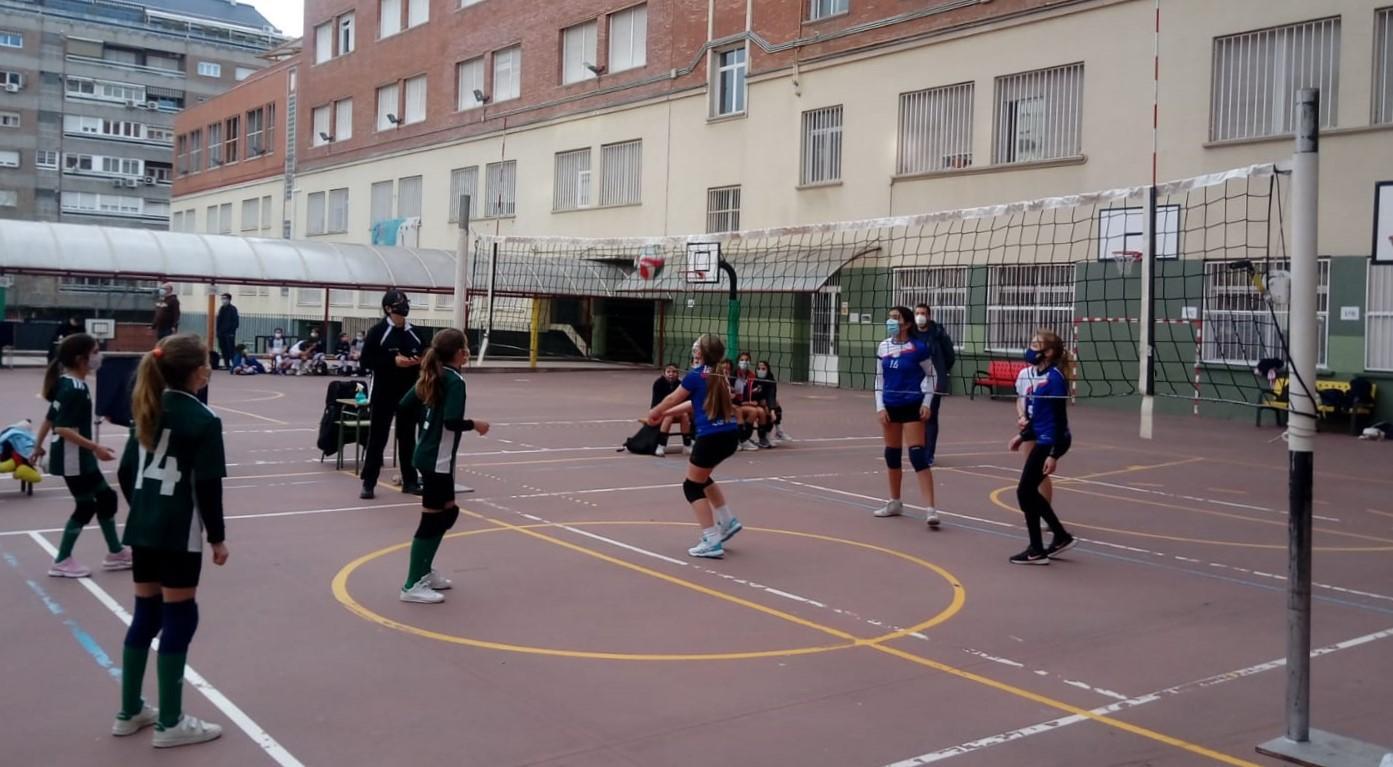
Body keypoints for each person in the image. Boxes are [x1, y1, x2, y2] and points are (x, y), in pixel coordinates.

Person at [113, 334, 227, 747]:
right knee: (181, 616)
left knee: (146, 614)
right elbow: (208, 486)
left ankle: (129, 711)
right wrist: (217, 538)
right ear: (199, 371)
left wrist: (143, 508)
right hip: (179, 533)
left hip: (143, 529)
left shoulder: (147, 406)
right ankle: (171, 722)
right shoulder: (202, 419)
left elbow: (127, 473)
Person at [398, 329, 489, 604]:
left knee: (448, 513)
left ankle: (425, 571)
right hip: (435, 461)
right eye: (466, 348)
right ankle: (411, 585)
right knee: (432, 520)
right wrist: (476, 425)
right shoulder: (454, 381)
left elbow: (404, 405)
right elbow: (451, 422)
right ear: (461, 353)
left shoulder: (435, 375)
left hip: (436, 458)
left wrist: (425, 426)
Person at [34, 333, 131, 578]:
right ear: (81, 359)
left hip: (78, 458)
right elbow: (62, 427)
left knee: (107, 498)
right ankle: (62, 560)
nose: (100, 356)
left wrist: (37, 446)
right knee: (86, 506)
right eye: (96, 351)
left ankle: (116, 553)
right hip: (72, 459)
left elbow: (50, 417)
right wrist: (94, 447)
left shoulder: (67, 383)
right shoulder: (74, 388)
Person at [647, 334, 743, 559]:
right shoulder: (719, 373)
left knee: (691, 487)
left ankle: (711, 539)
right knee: (703, 477)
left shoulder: (695, 375)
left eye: (698, 346)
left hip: (712, 437)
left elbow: (673, 398)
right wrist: (666, 414)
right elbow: (694, 402)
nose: (695, 348)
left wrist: (656, 411)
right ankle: (727, 521)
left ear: (701, 352)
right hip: (729, 435)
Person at [1008, 330, 1076, 565]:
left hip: (1053, 440)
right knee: (1027, 491)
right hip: (1041, 436)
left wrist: (1054, 454)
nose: (1030, 348)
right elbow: (1038, 414)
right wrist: (1023, 435)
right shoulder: (1035, 374)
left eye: (1036, 344)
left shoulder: (1055, 378)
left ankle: (1038, 548)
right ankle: (1059, 537)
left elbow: (1058, 419)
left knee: (1024, 491)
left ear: (1048, 352)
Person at [872, 306, 941, 528]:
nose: (891, 321)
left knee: (917, 456)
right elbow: (878, 380)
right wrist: (880, 407)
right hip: (890, 406)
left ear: (907, 323)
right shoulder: (884, 346)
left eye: (896, 318)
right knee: (892, 455)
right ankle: (895, 502)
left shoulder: (918, 348)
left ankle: (930, 509)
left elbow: (932, 376)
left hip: (912, 405)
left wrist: (926, 403)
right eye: (890, 317)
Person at [359, 290, 424, 499]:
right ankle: (369, 483)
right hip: (383, 392)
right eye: (398, 302)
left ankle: (410, 481)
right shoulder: (378, 332)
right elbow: (366, 361)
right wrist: (392, 361)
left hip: (409, 393)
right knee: (378, 438)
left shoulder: (415, 332)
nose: (403, 305)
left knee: (407, 438)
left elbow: (426, 354)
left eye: (405, 301)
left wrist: (419, 361)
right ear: (388, 308)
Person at [909, 302, 954, 524]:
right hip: (914, 381)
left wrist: (942, 373)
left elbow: (949, 355)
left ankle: (929, 453)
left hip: (934, 381)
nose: (920, 317)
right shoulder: (911, 333)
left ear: (929, 316)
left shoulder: (938, 332)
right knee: (915, 417)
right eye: (917, 313)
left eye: (923, 314)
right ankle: (918, 449)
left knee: (931, 416)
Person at [1015, 359, 1052, 513]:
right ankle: (1034, 510)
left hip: (1045, 427)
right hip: (1029, 427)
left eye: (1037, 345)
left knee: (1039, 470)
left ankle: (1045, 512)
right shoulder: (1024, 374)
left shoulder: (1052, 376)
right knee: (1030, 469)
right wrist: (1022, 416)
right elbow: (1020, 399)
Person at [650, 363, 692, 457]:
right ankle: (661, 445)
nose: (671, 374)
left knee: (685, 415)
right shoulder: (658, 383)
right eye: (668, 371)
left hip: (677, 410)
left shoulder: (680, 384)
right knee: (669, 416)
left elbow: (684, 401)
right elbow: (657, 402)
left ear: (678, 374)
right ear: (664, 373)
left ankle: (687, 445)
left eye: (674, 372)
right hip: (660, 411)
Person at [733, 352, 772, 449]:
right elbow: (732, 395)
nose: (744, 362)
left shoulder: (751, 376)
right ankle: (742, 439)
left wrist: (757, 401)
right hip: (737, 403)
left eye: (747, 360)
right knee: (753, 411)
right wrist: (746, 402)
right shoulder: (733, 374)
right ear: (738, 362)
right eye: (742, 360)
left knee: (762, 411)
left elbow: (755, 393)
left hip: (746, 402)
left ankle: (762, 439)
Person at [214, 294, 238, 370]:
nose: (223, 300)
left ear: (229, 299)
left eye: (225, 298)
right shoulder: (221, 308)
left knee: (231, 349)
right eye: (222, 298)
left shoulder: (233, 309)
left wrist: (232, 332)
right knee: (223, 349)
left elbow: (235, 321)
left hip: (229, 333)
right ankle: (226, 364)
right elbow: (218, 321)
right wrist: (218, 332)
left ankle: (234, 364)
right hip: (221, 333)